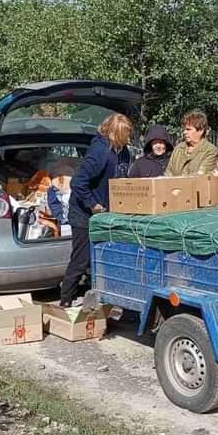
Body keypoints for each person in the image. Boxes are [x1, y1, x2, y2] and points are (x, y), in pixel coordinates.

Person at [59, 113, 133, 305]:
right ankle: (66, 299)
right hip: (83, 212)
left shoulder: (124, 152)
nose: (128, 138)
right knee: (81, 259)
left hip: (107, 212)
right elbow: (77, 182)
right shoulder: (99, 152)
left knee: (105, 256)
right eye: (125, 134)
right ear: (113, 133)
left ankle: (104, 298)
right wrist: (93, 204)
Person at [166, 110, 218, 176]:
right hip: (173, 186)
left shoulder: (211, 151)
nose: (184, 132)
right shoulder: (178, 148)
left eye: (188, 129)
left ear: (201, 130)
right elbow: (168, 173)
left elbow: (201, 177)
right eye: (184, 129)